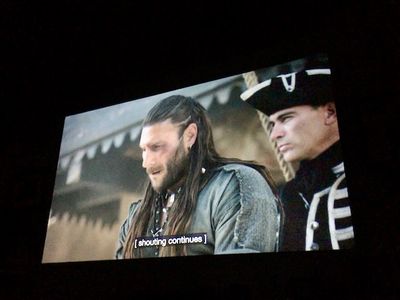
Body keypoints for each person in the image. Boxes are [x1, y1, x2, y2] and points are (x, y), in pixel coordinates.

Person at [115, 95, 281, 258]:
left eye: (157, 147)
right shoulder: (137, 215)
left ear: (190, 136)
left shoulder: (232, 187)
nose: (146, 162)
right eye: (144, 150)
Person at [241, 54, 354, 251]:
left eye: (286, 118)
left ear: (330, 113)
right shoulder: (292, 194)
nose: (275, 134)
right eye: (272, 124)